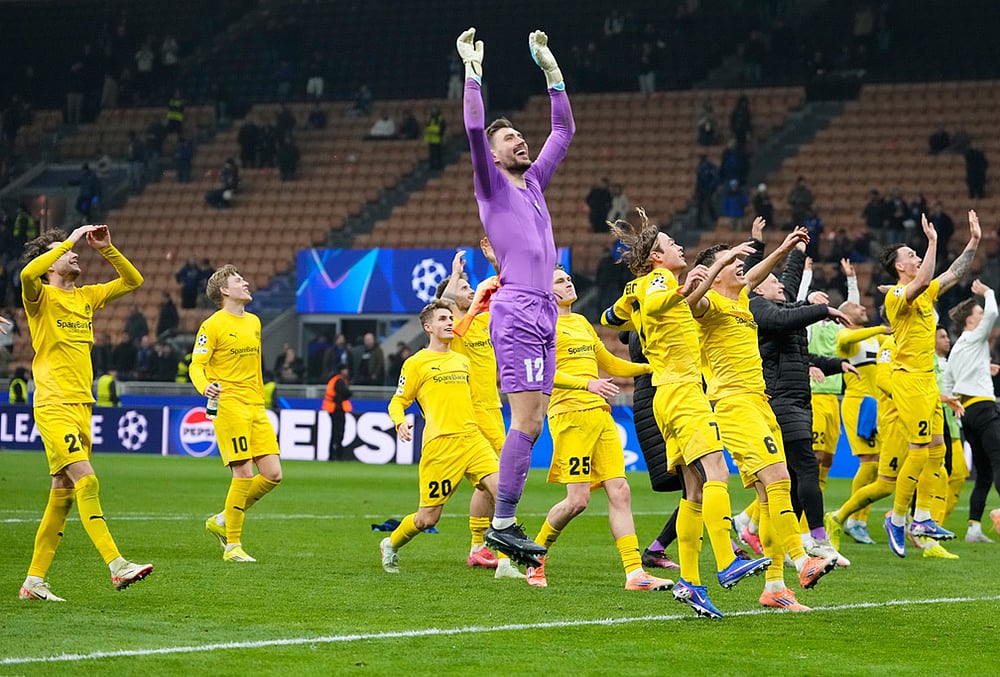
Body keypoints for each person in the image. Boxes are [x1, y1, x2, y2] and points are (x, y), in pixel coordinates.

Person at [603, 207, 770, 619]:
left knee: (694, 492)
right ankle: (727, 560)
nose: (679, 247)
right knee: (718, 472)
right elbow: (663, 301)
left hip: (667, 393)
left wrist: (702, 279)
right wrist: (698, 279)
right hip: (682, 392)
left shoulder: (643, 285)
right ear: (657, 257)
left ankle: (691, 583)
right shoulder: (659, 281)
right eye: (671, 245)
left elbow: (612, 317)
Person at [459, 26, 575, 566]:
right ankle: (501, 524)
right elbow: (475, 124)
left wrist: (550, 69)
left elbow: (564, 129)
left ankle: (502, 523)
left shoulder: (532, 185)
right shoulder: (491, 186)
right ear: (492, 154)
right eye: (509, 140)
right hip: (518, 311)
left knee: (532, 425)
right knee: (525, 423)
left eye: (520, 137)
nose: (519, 140)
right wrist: (473, 73)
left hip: (545, 310)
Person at [692, 228, 839, 612]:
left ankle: (775, 586)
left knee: (769, 494)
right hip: (733, 404)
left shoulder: (740, 297)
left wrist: (785, 248)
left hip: (760, 401)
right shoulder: (708, 304)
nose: (742, 268)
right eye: (733, 263)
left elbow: (757, 275)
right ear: (716, 270)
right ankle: (800, 557)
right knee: (779, 479)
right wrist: (720, 262)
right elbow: (691, 304)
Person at [17, 225, 152, 602]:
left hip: (82, 405)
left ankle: (34, 581)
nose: (74, 255)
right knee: (87, 482)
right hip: (53, 402)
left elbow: (133, 279)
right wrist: (71, 237)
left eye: (73, 250)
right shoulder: (39, 295)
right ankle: (116, 565)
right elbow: (26, 273)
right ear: (50, 264)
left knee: (62, 492)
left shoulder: (87, 297)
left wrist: (107, 249)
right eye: (64, 254)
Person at [525, 266, 672, 592]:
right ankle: (534, 557)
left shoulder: (580, 323)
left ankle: (635, 574)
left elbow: (609, 362)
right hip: (570, 416)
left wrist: (651, 367)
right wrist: (586, 383)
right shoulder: (543, 325)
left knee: (620, 490)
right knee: (577, 501)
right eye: (560, 281)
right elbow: (544, 375)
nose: (568, 282)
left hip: (600, 415)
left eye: (568, 278)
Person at [746, 229, 857, 568]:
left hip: (798, 401)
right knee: (805, 467)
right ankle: (818, 540)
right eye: (772, 280)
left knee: (790, 478)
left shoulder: (783, 304)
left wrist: (797, 248)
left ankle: (767, 534)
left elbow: (790, 287)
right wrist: (823, 310)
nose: (780, 284)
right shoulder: (757, 307)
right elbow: (782, 315)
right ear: (757, 284)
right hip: (780, 400)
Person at [880, 210, 980, 557]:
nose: (916, 256)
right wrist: (933, 240)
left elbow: (954, 273)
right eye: (910, 254)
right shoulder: (895, 295)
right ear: (898, 267)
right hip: (907, 381)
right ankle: (897, 518)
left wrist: (974, 241)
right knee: (921, 450)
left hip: (926, 380)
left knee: (937, 448)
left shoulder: (926, 294)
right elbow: (922, 281)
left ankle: (921, 517)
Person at [382, 300, 501, 574]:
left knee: (504, 490)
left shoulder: (462, 361)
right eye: (443, 319)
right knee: (427, 519)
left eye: (451, 318)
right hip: (441, 446)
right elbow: (397, 402)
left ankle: (500, 553)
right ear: (428, 327)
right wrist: (400, 423)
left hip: (472, 439)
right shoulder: (416, 363)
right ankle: (391, 543)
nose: (449, 322)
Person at [437, 247, 521, 579]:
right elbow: (444, 301)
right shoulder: (452, 325)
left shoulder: (483, 318)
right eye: (464, 288)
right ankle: (484, 546)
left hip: (492, 407)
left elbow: (509, 284)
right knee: (499, 481)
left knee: (492, 482)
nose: (470, 290)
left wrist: (495, 263)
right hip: (469, 412)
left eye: (470, 287)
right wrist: (455, 273)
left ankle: (479, 547)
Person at [193, 265, 283, 563]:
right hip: (229, 404)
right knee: (243, 473)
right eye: (238, 280)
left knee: (272, 474)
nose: (246, 283)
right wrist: (205, 387)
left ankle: (222, 519)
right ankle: (233, 545)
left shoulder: (255, 322)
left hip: (255, 405)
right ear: (224, 291)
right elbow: (197, 365)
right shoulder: (212, 325)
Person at [830, 288, 891, 545]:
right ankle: (852, 519)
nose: (863, 308)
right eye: (857, 308)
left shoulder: (874, 342)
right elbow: (844, 342)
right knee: (869, 463)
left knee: (879, 468)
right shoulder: (846, 335)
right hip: (857, 404)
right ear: (845, 316)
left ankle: (859, 520)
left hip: (877, 404)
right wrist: (880, 329)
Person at [943, 281, 1000, 543]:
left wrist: (954, 401)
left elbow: (948, 382)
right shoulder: (976, 336)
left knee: (984, 472)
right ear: (969, 320)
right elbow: (993, 314)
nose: (982, 317)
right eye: (977, 314)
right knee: (998, 460)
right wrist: (987, 293)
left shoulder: (957, 348)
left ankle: (973, 528)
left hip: (966, 412)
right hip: (983, 405)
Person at [322, 365, 352, 461]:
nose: (346, 371)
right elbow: (345, 392)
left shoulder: (334, 380)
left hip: (333, 409)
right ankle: (337, 455)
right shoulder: (339, 381)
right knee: (338, 433)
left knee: (335, 432)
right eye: (345, 369)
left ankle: (332, 455)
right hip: (337, 409)